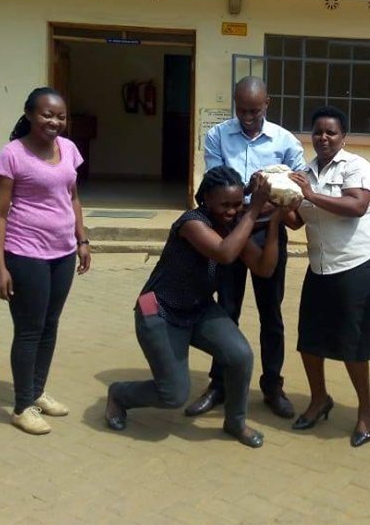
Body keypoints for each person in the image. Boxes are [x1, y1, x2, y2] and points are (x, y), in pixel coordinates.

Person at [104, 167, 285, 448]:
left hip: (199, 309)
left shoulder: (231, 227)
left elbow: (264, 268)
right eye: (225, 205)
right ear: (206, 200)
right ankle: (119, 395)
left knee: (240, 355)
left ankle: (235, 422)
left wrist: (274, 222)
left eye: (237, 204)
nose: (232, 211)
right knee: (173, 395)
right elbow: (224, 253)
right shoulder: (191, 222)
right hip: (160, 312)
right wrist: (253, 211)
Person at [185, 76, 305, 419]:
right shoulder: (218, 135)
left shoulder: (285, 141)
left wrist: (258, 203)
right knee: (227, 311)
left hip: (268, 236)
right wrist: (258, 198)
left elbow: (297, 193)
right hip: (229, 234)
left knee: (272, 314)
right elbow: (217, 188)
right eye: (242, 110)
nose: (248, 116)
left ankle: (272, 386)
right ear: (234, 104)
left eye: (255, 109)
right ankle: (219, 384)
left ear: (268, 102)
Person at [0, 88, 92, 435]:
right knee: (30, 329)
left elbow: (73, 197)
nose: (54, 121)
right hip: (25, 253)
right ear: (30, 114)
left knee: (50, 323)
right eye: (47, 114)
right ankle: (21, 406)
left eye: (60, 116)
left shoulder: (69, 149)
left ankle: (37, 391)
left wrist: (82, 239)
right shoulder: (11, 155)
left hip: (62, 252)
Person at [285, 106, 370, 448]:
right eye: (317, 132)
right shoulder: (305, 172)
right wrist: (272, 198)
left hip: (359, 262)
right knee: (309, 338)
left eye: (331, 132)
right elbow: (298, 221)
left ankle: (366, 408)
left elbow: (356, 206)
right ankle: (319, 400)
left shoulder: (357, 166)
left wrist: (310, 194)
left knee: (352, 342)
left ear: (343, 137)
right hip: (321, 265)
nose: (323, 138)